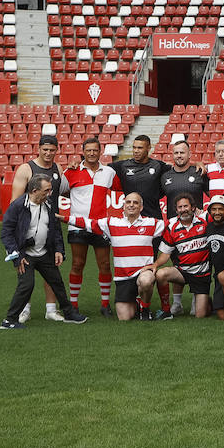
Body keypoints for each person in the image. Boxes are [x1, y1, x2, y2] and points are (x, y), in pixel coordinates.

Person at [0, 173, 84, 328]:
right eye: (46, 190)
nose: (49, 193)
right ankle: (9, 320)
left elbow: (55, 228)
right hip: (25, 255)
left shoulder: (49, 204)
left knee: (57, 283)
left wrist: (59, 250)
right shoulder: (18, 206)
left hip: (45, 253)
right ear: (34, 191)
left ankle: (69, 313)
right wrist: (16, 256)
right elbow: (6, 233)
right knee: (26, 285)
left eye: (50, 190)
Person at [68, 192, 166, 322]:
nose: (131, 205)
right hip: (123, 277)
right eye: (128, 202)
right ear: (123, 206)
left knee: (146, 281)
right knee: (124, 318)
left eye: (135, 203)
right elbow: (88, 223)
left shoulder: (151, 223)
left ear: (141, 207)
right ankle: (136, 301)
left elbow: (172, 224)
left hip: (143, 272)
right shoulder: (112, 223)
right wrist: (62, 217)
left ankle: (145, 308)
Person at [108, 133, 173, 311]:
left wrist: (197, 164)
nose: (136, 151)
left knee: (154, 266)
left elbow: (179, 169)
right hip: (132, 224)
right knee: (133, 263)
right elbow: (98, 168)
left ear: (148, 148)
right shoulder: (122, 165)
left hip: (154, 225)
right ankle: (136, 300)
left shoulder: (158, 166)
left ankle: (165, 307)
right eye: (134, 147)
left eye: (140, 148)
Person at [9, 133, 65, 322]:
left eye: (52, 150)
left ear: (57, 150)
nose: (48, 153)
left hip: (50, 227)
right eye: (45, 149)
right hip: (28, 228)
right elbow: (15, 202)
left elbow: (63, 190)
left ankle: (51, 309)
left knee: (52, 270)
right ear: (38, 149)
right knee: (25, 269)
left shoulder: (58, 168)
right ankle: (24, 309)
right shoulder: (26, 169)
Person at [62, 135, 117, 318]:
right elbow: (59, 190)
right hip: (77, 226)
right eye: (88, 150)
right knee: (77, 264)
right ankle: (74, 304)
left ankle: (104, 304)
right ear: (83, 152)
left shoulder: (108, 172)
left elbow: (120, 189)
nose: (92, 153)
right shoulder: (70, 172)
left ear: (100, 152)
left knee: (105, 264)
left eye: (95, 150)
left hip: (100, 226)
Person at [154, 194, 214, 319]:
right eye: (180, 207)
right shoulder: (172, 227)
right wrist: (154, 265)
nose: (183, 209)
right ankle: (166, 310)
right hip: (183, 272)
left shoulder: (204, 220)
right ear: (176, 211)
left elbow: (220, 215)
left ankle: (208, 301)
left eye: (186, 206)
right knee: (160, 274)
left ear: (193, 207)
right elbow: (165, 255)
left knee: (199, 315)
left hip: (202, 275)